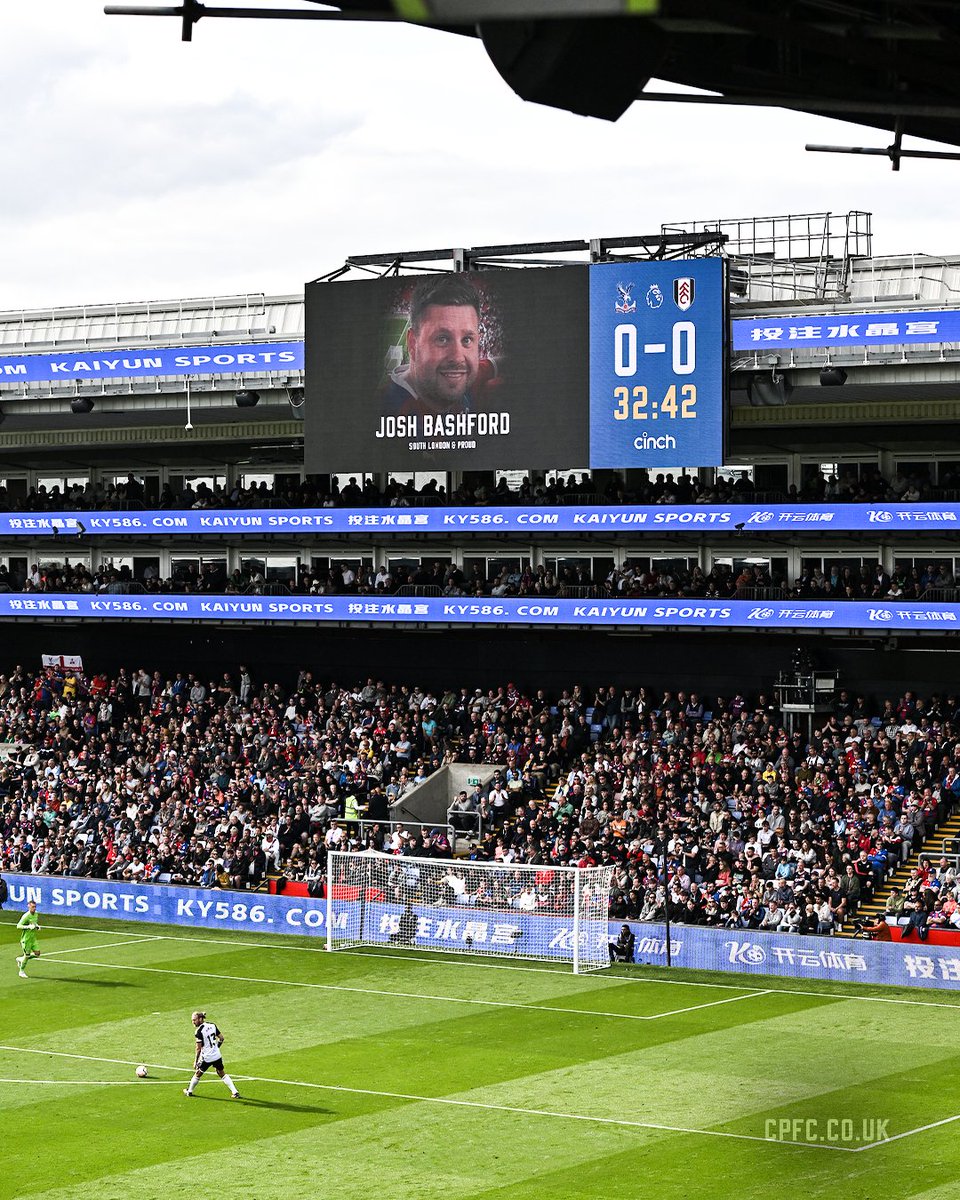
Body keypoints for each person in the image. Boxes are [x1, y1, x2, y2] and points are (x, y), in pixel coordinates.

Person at [382, 277, 487, 419]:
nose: (457, 357)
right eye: (442, 339)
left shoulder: (469, 383)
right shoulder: (386, 409)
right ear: (413, 343)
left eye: (467, 340)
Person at [183, 1011, 241, 1099]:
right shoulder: (212, 1025)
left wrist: (196, 1061)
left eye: (194, 1020)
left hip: (207, 1057)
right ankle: (235, 1092)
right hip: (217, 1055)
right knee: (221, 1073)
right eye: (192, 1020)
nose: (193, 1022)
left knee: (198, 1074)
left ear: (200, 1019)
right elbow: (221, 1038)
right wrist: (216, 1048)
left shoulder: (198, 1031)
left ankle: (189, 1091)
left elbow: (198, 1048)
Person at [16, 899, 41, 978]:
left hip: (33, 938)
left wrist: (37, 926)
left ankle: (21, 959)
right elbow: (18, 926)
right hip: (26, 939)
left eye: (35, 907)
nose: (34, 908)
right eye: (32, 907)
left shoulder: (36, 914)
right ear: (29, 907)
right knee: (27, 956)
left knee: (37, 954)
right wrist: (28, 927)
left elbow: (34, 923)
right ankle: (21, 971)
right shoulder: (26, 916)